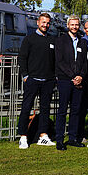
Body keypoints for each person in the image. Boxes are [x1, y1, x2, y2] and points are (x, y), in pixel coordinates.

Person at [17, 13, 56, 149]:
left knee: (45, 109)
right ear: (38, 23)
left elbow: (55, 60)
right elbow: (22, 58)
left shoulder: (52, 40)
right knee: (26, 107)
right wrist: (26, 75)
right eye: (43, 22)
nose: (45, 25)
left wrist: (54, 76)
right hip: (32, 79)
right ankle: (23, 136)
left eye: (47, 23)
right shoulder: (29, 39)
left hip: (48, 80)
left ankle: (43, 136)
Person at [54, 15, 88, 151]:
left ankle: (73, 138)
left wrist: (81, 76)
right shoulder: (61, 40)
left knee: (76, 110)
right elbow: (60, 61)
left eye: (77, 24)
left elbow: (86, 62)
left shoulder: (82, 42)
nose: (74, 27)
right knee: (62, 111)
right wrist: (73, 76)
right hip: (65, 80)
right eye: (72, 24)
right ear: (68, 25)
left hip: (79, 81)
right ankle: (59, 139)